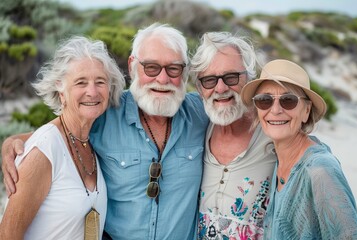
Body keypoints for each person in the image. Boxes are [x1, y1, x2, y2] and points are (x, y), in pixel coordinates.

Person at [1, 23, 209, 239]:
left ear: (184, 72)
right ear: (132, 66)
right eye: (152, 68)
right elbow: (61, 133)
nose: (163, 79)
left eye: (173, 68)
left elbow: (233, 112)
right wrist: (14, 142)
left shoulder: (200, 113)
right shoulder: (106, 113)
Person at [0, 36, 126, 239]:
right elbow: (7, 235)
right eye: (80, 82)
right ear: (61, 91)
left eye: (100, 82)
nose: (92, 92)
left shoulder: (91, 136)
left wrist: (10, 140)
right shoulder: (45, 149)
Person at [240, 59, 357, 239]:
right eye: (265, 100)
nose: (275, 110)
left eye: (288, 100)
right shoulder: (279, 160)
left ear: (306, 110)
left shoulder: (320, 170)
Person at [190, 32, 276, 239]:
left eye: (231, 77)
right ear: (200, 89)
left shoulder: (274, 132)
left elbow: (312, 156)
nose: (221, 88)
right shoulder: (196, 129)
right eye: (209, 80)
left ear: (249, 78)